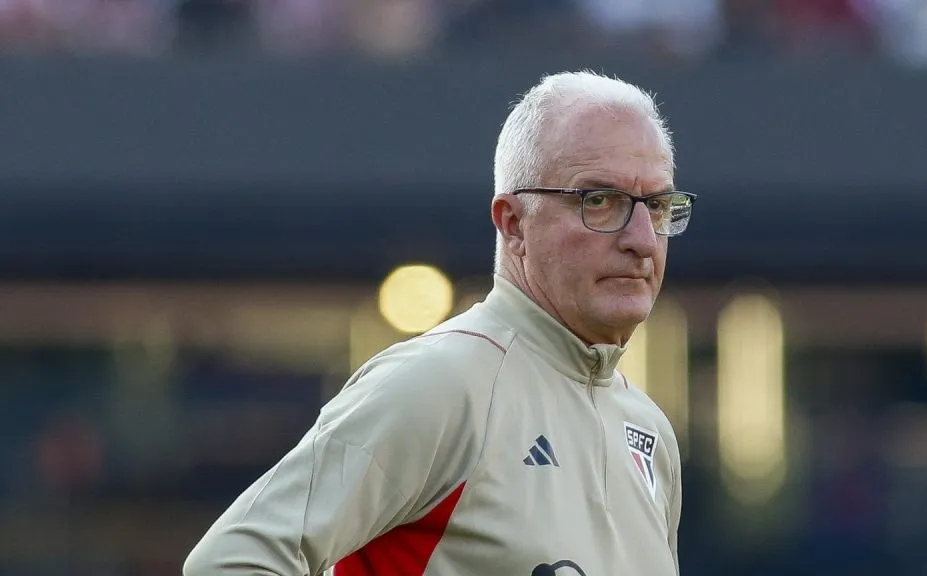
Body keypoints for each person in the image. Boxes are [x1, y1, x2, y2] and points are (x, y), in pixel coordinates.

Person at [183, 70, 696, 576]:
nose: (642, 240)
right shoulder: (443, 383)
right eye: (599, 201)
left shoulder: (648, 430)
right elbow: (231, 561)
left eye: (656, 206)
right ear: (513, 223)